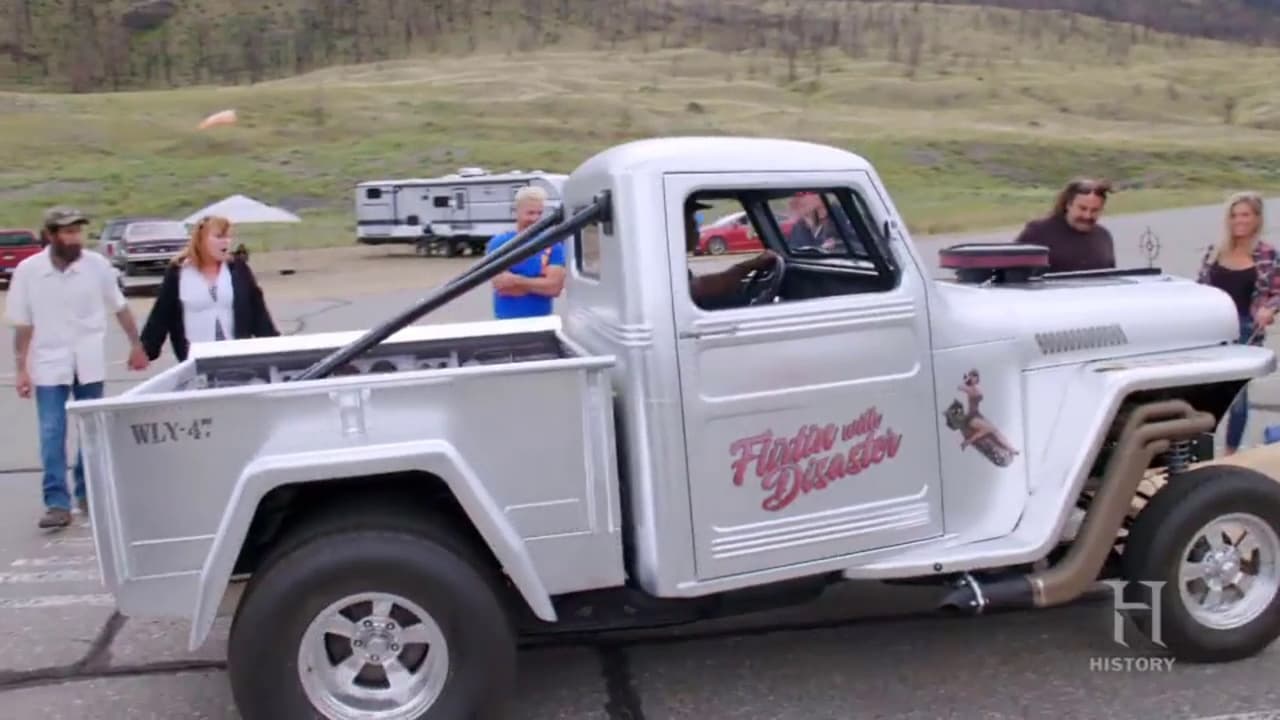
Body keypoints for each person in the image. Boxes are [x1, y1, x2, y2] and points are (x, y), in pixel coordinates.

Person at [5, 207, 149, 529]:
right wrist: (21, 369)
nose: (75, 239)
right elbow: (23, 325)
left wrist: (136, 344)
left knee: (91, 432)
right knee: (52, 432)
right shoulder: (29, 271)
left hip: (89, 361)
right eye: (68, 232)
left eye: (78, 232)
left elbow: (120, 306)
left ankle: (88, 493)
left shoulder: (96, 266)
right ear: (51, 235)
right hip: (49, 364)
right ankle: (57, 502)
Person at [1195, 191, 1277, 454]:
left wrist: (1269, 309)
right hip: (1212, 329)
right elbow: (1200, 288)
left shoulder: (1267, 254)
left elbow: (1277, 292)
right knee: (1204, 393)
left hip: (1246, 330)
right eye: (1234, 215)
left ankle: (1230, 452)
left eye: (1245, 215)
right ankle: (1201, 451)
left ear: (1257, 219)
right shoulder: (1215, 251)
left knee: (1237, 397)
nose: (1239, 220)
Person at [140, 215, 279, 362]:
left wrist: (275, 346)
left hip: (236, 355)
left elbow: (258, 310)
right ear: (201, 239)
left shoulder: (238, 268)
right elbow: (161, 312)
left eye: (228, 237)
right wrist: (145, 350)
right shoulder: (178, 271)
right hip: (194, 357)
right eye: (219, 236)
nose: (226, 241)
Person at [486, 186, 566, 319]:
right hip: (506, 321)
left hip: (542, 321)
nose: (535, 218)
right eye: (530, 213)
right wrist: (539, 284)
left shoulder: (552, 244)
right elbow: (502, 286)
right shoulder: (499, 243)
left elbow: (554, 288)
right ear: (516, 212)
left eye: (539, 213)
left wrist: (517, 280)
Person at [1013, 178, 1116, 273]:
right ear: (1068, 205)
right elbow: (1012, 273)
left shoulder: (1103, 236)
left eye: (1094, 210)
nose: (1087, 216)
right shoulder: (1038, 232)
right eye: (1082, 208)